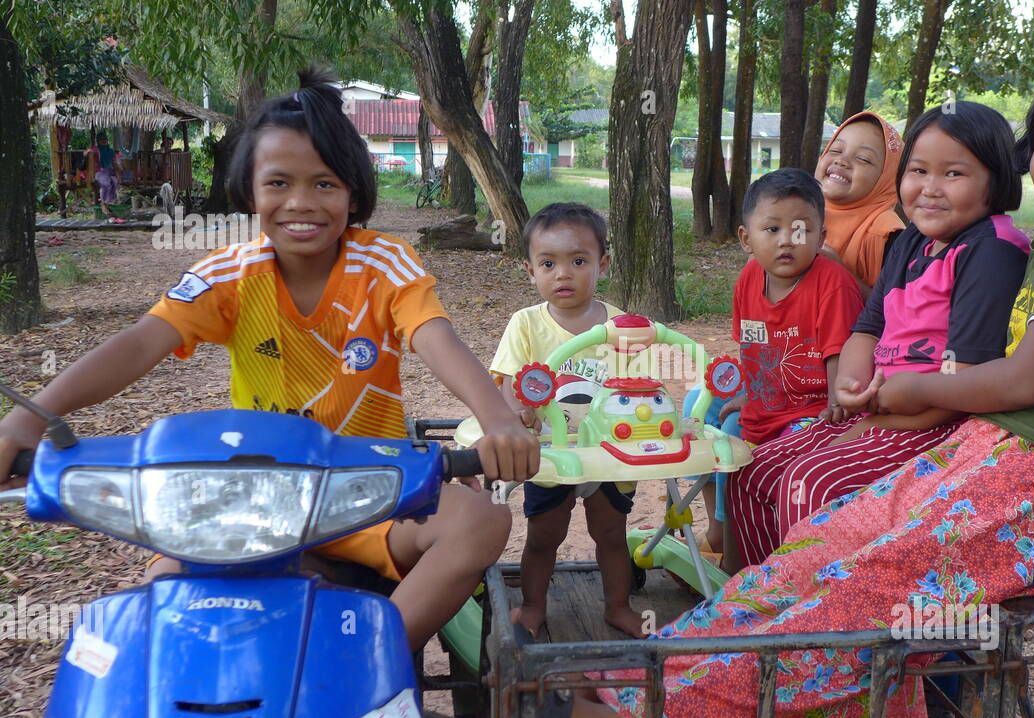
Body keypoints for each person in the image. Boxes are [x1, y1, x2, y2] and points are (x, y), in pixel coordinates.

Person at [573, 57, 1034, 718]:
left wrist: (900, 389)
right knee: (815, 554)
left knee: (866, 597)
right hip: (1001, 447)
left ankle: (660, 712)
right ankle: (651, 674)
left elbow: (1025, 378)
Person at [0, 68, 539, 653]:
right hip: (249, 495)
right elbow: (137, 344)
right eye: (278, 183)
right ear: (250, 191)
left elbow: (436, 337)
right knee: (162, 607)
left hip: (367, 493)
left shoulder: (385, 264)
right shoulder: (226, 275)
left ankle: (365, 668)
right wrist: (29, 418)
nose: (300, 203)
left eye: (324, 184)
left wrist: (498, 420)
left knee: (481, 521)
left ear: (354, 193)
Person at [727, 101, 1030, 568]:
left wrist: (875, 420)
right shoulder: (911, 241)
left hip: (932, 423)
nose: (930, 189)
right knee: (752, 471)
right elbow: (868, 329)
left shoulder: (990, 250)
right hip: (877, 404)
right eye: (918, 171)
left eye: (953, 174)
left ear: (996, 178)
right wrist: (849, 384)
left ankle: (813, 625)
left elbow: (964, 384)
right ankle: (749, 600)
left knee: (810, 483)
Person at [489, 202, 646, 639]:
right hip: (552, 454)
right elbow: (508, 379)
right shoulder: (525, 324)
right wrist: (517, 411)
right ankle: (535, 605)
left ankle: (618, 606)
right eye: (548, 263)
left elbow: (636, 387)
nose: (563, 274)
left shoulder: (622, 327)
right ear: (530, 270)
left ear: (603, 264)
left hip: (608, 453)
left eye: (578, 261)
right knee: (544, 534)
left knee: (611, 534)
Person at [697, 168, 863, 570]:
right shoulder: (748, 279)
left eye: (801, 230)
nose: (787, 240)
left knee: (739, 452)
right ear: (746, 239)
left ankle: (743, 564)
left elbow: (839, 351)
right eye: (772, 229)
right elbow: (752, 346)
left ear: (822, 238)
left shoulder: (832, 284)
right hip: (766, 398)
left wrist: (837, 400)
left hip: (810, 410)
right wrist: (747, 392)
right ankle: (715, 524)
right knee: (695, 412)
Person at [814, 111, 906, 292]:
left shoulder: (889, 237)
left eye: (863, 159)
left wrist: (839, 271)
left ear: (887, 177)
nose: (842, 161)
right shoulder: (796, 211)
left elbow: (895, 311)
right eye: (835, 150)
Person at [94, 133, 120, 219]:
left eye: (105, 139)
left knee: (115, 181)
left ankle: (108, 203)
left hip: (109, 171)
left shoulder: (111, 151)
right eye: (101, 140)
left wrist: (118, 174)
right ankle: (103, 204)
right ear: (98, 141)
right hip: (99, 172)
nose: (104, 141)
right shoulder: (96, 150)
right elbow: (86, 153)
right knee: (106, 184)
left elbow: (114, 163)